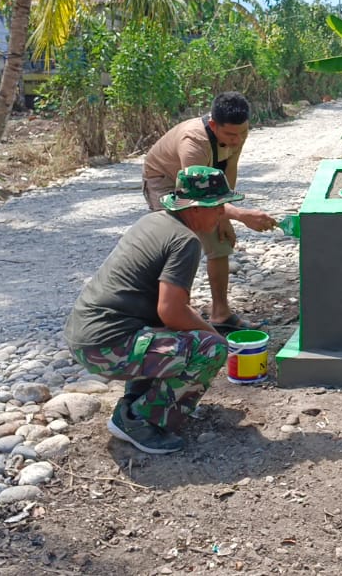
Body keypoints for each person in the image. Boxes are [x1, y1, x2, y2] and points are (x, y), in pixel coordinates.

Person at [63, 166, 240, 454]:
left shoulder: (155, 221)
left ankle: (137, 399)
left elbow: (167, 311)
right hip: (104, 345)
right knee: (210, 349)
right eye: (217, 206)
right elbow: (171, 311)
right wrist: (215, 337)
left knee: (179, 334)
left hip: (85, 335)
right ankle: (139, 421)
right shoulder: (185, 241)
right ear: (195, 208)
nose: (222, 213)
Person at [142, 92, 276, 332]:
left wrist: (225, 218)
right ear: (213, 125)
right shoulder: (194, 143)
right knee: (179, 243)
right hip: (166, 180)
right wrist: (241, 215)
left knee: (220, 242)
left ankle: (220, 314)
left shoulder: (236, 132)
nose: (237, 140)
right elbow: (196, 199)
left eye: (242, 132)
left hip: (205, 186)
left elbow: (228, 171)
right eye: (230, 135)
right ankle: (173, 314)